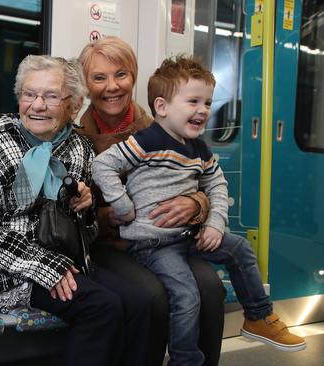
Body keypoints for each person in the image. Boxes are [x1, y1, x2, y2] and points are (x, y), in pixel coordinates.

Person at [93, 55, 306, 365]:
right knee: (187, 294)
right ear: (163, 107)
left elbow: (217, 185)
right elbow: (103, 164)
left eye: (207, 103)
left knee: (240, 249)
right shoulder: (147, 139)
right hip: (153, 242)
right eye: (193, 101)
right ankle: (185, 359)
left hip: (186, 234)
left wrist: (214, 223)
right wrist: (122, 204)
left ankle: (259, 316)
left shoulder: (198, 148)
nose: (203, 110)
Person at [0, 55, 152, 366]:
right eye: (29, 94)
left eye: (51, 96)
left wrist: (85, 210)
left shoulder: (80, 148)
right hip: (9, 270)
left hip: (66, 260)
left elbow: (85, 235)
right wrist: (46, 267)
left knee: (140, 302)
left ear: (73, 106)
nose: (37, 105)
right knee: (101, 306)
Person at [77, 36, 226, 365]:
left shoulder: (161, 124)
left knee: (212, 290)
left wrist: (197, 204)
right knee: (152, 296)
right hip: (110, 243)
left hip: (169, 237)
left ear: (133, 77)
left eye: (121, 75)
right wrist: (106, 216)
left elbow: (207, 177)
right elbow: (67, 209)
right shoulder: (77, 137)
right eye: (99, 78)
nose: (112, 86)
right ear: (86, 85)